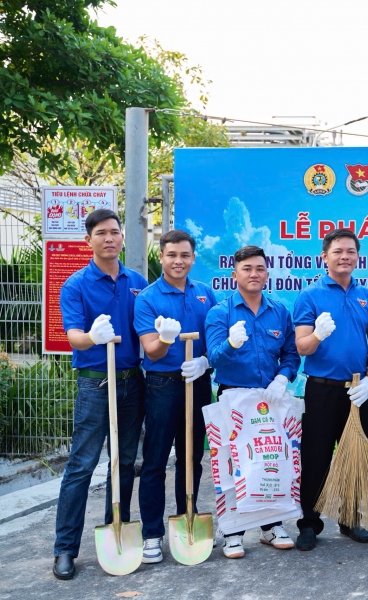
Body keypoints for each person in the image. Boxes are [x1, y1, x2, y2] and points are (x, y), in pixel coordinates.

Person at [52, 209, 148, 580]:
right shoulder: (75, 285)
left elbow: (147, 330)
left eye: (115, 232)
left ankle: (116, 534)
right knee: (82, 465)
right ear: (88, 240)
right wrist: (92, 337)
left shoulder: (137, 282)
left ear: (122, 237)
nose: (109, 238)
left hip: (131, 382)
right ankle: (65, 549)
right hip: (95, 384)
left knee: (124, 463)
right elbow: (73, 335)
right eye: (101, 233)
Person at [204, 245, 301, 557]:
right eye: (247, 269)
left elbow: (291, 353)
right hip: (232, 399)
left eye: (259, 268)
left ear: (267, 273)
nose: (254, 274)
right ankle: (233, 531)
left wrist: (283, 378)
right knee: (233, 464)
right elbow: (214, 357)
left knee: (271, 462)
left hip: (270, 399)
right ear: (235, 274)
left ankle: (272, 526)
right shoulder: (220, 313)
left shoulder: (279, 311)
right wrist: (231, 344)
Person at [292, 228, 368, 551]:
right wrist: (317, 335)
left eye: (350, 251)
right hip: (321, 390)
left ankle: (350, 518)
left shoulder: (366, 296)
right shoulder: (310, 296)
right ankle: (309, 523)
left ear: (358, 256)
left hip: (357, 390)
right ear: (324, 257)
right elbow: (302, 347)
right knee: (315, 458)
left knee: (354, 457)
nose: (345, 256)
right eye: (338, 251)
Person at [133, 229, 216, 564]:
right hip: (162, 385)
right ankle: (152, 534)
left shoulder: (205, 294)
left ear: (193, 258)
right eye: (171, 255)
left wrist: (205, 361)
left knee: (191, 458)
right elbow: (151, 350)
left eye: (184, 255)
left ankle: (187, 521)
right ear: (161, 257)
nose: (178, 261)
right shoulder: (148, 298)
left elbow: (215, 340)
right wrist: (166, 340)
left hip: (198, 381)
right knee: (155, 461)